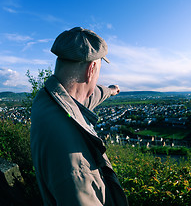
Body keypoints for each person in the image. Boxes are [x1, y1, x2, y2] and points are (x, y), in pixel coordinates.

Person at [30, 27, 128, 205]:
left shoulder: (46, 99)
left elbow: (90, 96)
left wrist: (110, 91)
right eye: (99, 70)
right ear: (91, 69)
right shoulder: (75, 163)